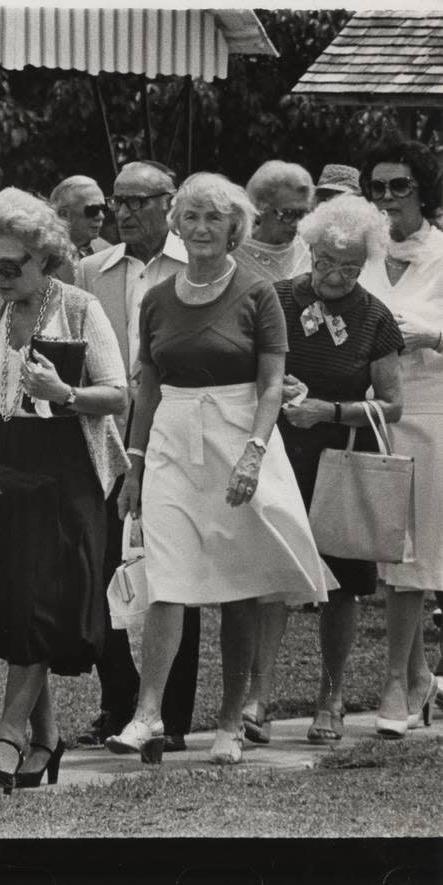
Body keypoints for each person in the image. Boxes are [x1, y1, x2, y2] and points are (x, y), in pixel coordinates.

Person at [107, 172, 330, 766]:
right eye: (191, 216)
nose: (201, 227)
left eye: (214, 218)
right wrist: (134, 465)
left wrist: (254, 453)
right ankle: (147, 714)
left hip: (238, 435)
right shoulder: (155, 298)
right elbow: (147, 386)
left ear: (236, 227)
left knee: (236, 589)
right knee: (167, 580)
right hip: (172, 441)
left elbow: (272, 382)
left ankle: (231, 720)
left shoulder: (259, 292)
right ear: (175, 223)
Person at [0, 187, 129, 792]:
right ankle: (45, 739)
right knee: (18, 605)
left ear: (44, 256)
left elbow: (119, 395)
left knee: (43, 600)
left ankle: (7, 733)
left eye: (10, 266)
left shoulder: (77, 307)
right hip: (7, 465)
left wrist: (64, 395)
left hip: (66, 469)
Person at [238, 194, 402, 745]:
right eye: (327, 262)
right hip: (281, 455)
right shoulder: (273, 299)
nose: (336, 276)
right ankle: (256, 698)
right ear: (308, 249)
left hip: (340, 463)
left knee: (343, 588)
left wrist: (328, 411)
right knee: (273, 578)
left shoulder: (375, 316)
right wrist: (275, 390)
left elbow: (392, 404)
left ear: (365, 263)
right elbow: (248, 368)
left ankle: (330, 698)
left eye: (350, 266)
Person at [72, 160, 200, 753]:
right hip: (106, 441)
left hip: (174, 438)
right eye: (115, 201)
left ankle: (171, 716)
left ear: (169, 202)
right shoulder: (90, 271)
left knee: (173, 576)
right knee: (103, 573)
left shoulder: (198, 267)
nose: (122, 212)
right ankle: (116, 703)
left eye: (137, 201)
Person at [357, 138, 443, 736]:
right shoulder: (359, 251)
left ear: (424, 190)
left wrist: (430, 333)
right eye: (377, 187)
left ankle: (394, 684)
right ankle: (418, 681)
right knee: (387, 551)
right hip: (364, 413)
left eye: (400, 186)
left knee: (414, 548)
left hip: (430, 409)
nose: (387, 199)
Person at [234, 160, 314, 283]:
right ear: (261, 206)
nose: (297, 224)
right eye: (288, 214)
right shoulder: (235, 254)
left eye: (302, 214)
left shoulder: (309, 249)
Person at [50, 175, 111, 259]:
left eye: (103, 208)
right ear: (64, 214)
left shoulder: (108, 253)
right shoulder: (39, 255)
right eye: (92, 210)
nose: (101, 216)